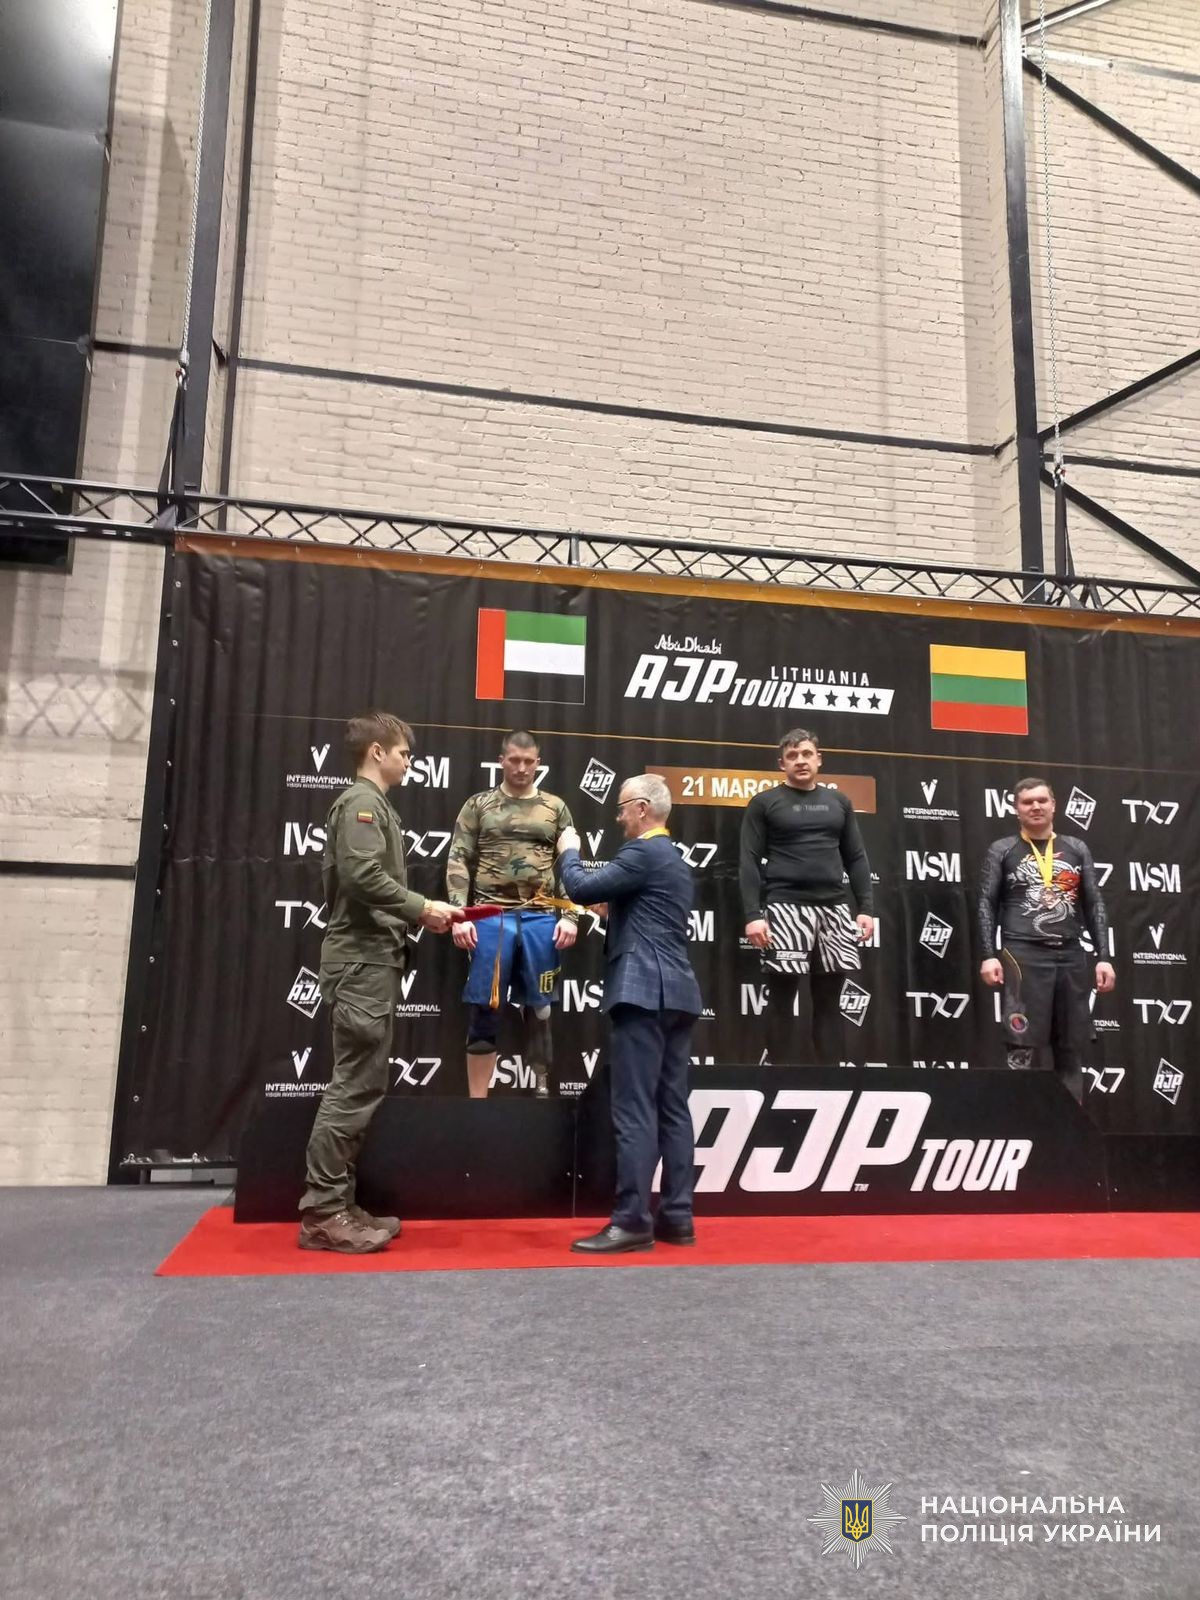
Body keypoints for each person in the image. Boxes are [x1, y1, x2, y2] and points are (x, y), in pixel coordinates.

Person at [298, 711, 457, 1254]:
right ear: (377, 753)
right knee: (353, 1087)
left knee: (361, 1085)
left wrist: (417, 914)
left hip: (372, 961)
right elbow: (362, 875)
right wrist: (422, 908)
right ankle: (323, 1213)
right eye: (403, 753)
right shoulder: (361, 804)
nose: (409, 762)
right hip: (362, 962)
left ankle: (337, 1205)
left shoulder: (374, 805)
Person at [557, 773, 703, 1255]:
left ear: (642, 808)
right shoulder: (674, 860)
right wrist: (615, 913)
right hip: (678, 994)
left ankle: (632, 1220)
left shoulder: (642, 852)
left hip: (642, 993)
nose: (618, 817)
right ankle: (677, 1217)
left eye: (622, 808)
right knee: (672, 1108)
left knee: (635, 1108)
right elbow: (649, 916)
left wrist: (569, 850)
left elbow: (578, 886)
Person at [446, 730, 577, 1098]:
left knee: (541, 1008)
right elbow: (458, 858)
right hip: (489, 916)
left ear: (538, 763)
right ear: (501, 760)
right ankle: (477, 1104)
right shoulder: (479, 804)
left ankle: (541, 1090)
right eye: (514, 760)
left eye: (529, 761)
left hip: (542, 916)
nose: (521, 768)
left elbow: (569, 864)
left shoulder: (556, 807)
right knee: (485, 1008)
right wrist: (459, 915)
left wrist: (570, 916)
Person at [739, 729, 874, 1066]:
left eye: (806, 754)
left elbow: (856, 857)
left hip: (834, 909)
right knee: (782, 998)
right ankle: (779, 1080)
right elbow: (749, 861)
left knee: (829, 1001)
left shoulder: (839, 802)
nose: (800, 760)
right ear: (781, 763)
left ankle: (831, 1082)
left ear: (819, 759)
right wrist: (753, 915)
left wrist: (866, 908)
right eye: (792, 755)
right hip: (785, 908)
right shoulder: (764, 803)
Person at [978, 776, 1115, 1102]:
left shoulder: (1077, 848)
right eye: (1027, 802)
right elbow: (986, 902)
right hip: (1021, 955)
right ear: (1016, 809)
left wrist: (1104, 957)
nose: (1035, 806)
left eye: (1042, 800)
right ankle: (1018, 1122)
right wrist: (988, 954)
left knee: (1070, 1047)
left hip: (1070, 955)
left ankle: (1070, 1125)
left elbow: (1093, 903)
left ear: (1054, 805)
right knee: (1020, 1047)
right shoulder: (1002, 850)